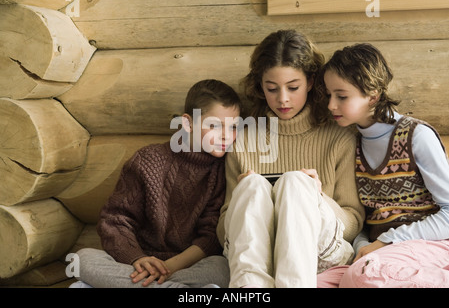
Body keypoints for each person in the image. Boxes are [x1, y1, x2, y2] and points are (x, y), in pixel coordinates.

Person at [216, 30, 365, 288]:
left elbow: (353, 223)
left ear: (310, 81)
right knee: (252, 186)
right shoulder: (242, 141)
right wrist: (244, 197)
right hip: (255, 251)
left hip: (320, 252)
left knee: (296, 182)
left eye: (293, 87)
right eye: (272, 89)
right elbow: (223, 232)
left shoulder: (339, 137)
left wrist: (318, 197)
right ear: (261, 87)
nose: (282, 99)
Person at [70, 79, 242, 288]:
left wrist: (168, 267)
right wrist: (137, 259)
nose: (226, 135)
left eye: (233, 127)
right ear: (188, 123)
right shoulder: (148, 160)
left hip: (186, 265)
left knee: (221, 269)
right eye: (215, 125)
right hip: (137, 262)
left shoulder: (222, 170)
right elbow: (116, 219)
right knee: (81, 260)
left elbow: (211, 236)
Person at [317, 43, 449, 287]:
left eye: (341, 96)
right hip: (380, 252)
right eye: (329, 95)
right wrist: (364, 247)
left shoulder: (416, 136)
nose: (331, 105)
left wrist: (387, 242)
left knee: (363, 275)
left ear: (373, 95)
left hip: (429, 245)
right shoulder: (351, 143)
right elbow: (368, 219)